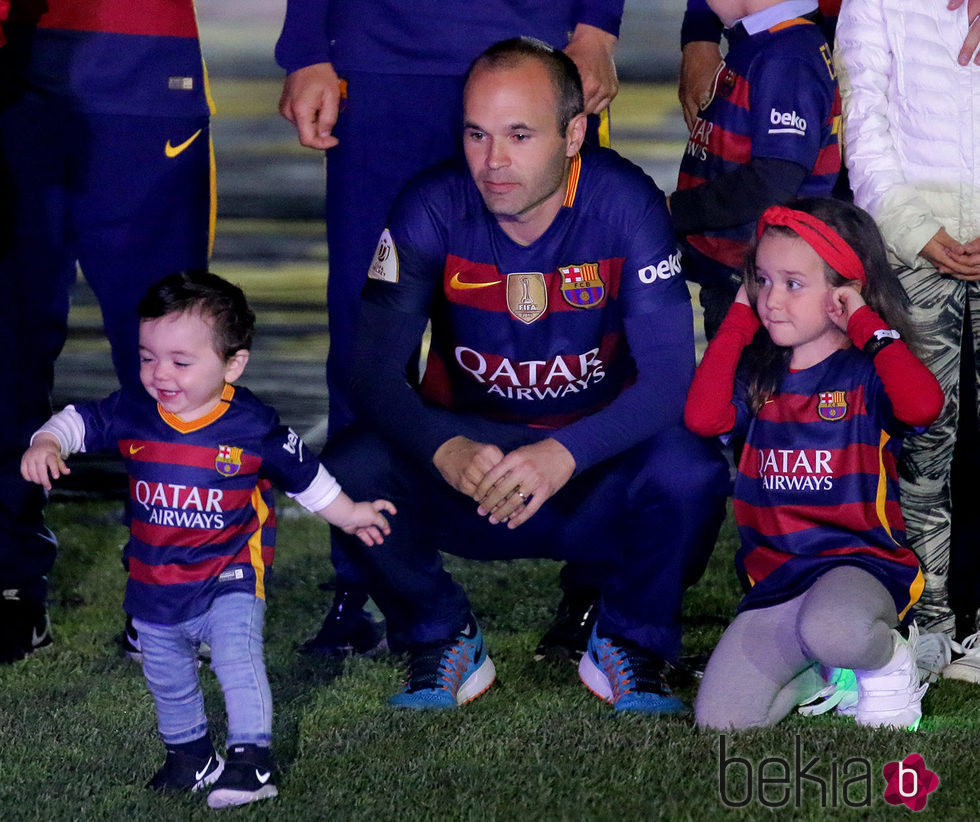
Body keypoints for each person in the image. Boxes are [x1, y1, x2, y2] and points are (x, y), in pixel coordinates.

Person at [321, 38, 730, 713]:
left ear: (573, 134)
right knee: (349, 466)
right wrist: (443, 447)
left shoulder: (626, 202)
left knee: (691, 468)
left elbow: (668, 383)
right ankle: (441, 635)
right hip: (472, 470)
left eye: (518, 134)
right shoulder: (431, 204)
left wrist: (564, 454)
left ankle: (628, 640)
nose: (493, 161)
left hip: (587, 471)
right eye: (477, 134)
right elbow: (370, 374)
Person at [275, 0, 624, 660]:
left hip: (536, 53)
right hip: (380, 67)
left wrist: (597, 25)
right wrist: (307, 47)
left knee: (574, 327)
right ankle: (370, 585)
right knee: (370, 331)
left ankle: (599, 586)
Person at [20, 272, 394, 807]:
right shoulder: (135, 411)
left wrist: (351, 513)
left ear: (232, 364)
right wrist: (47, 441)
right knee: (167, 675)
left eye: (180, 361)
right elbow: (78, 420)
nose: (159, 374)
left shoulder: (251, 425)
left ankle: (250, 765)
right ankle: (191, 759)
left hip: (230, 574)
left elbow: (305, 477)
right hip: (154, 578)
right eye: (148, 357)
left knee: (236, 660)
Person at [0, 1, 213, 663]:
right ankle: (9, 582)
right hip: (14, 80)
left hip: (135, 55)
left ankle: (171, 588)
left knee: (169, 347)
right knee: (7, 341)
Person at [685, 198, 944, 730]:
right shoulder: (762, 373)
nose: (772, 300)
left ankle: (892, 660)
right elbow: (703, 418)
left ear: (842, 294)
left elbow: (923, 405)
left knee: (836, 628)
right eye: (762, 281)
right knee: (723, 721)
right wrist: (736, 318)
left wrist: (866, 323)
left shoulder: (868, 371)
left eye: (794, 283)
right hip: (779, 579)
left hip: (858, 567)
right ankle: (823, 672)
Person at [835, 0, 980, 679]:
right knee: (923, 443)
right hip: (914, 249)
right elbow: (863, 120)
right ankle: (929, 619)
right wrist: (912, 228)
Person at [670, 0, 842, 341]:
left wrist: (677, 211)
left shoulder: (787, 58)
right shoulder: (762, 43)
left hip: (759, 283)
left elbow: (772, 181)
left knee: (754, 389)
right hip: (743, 273)